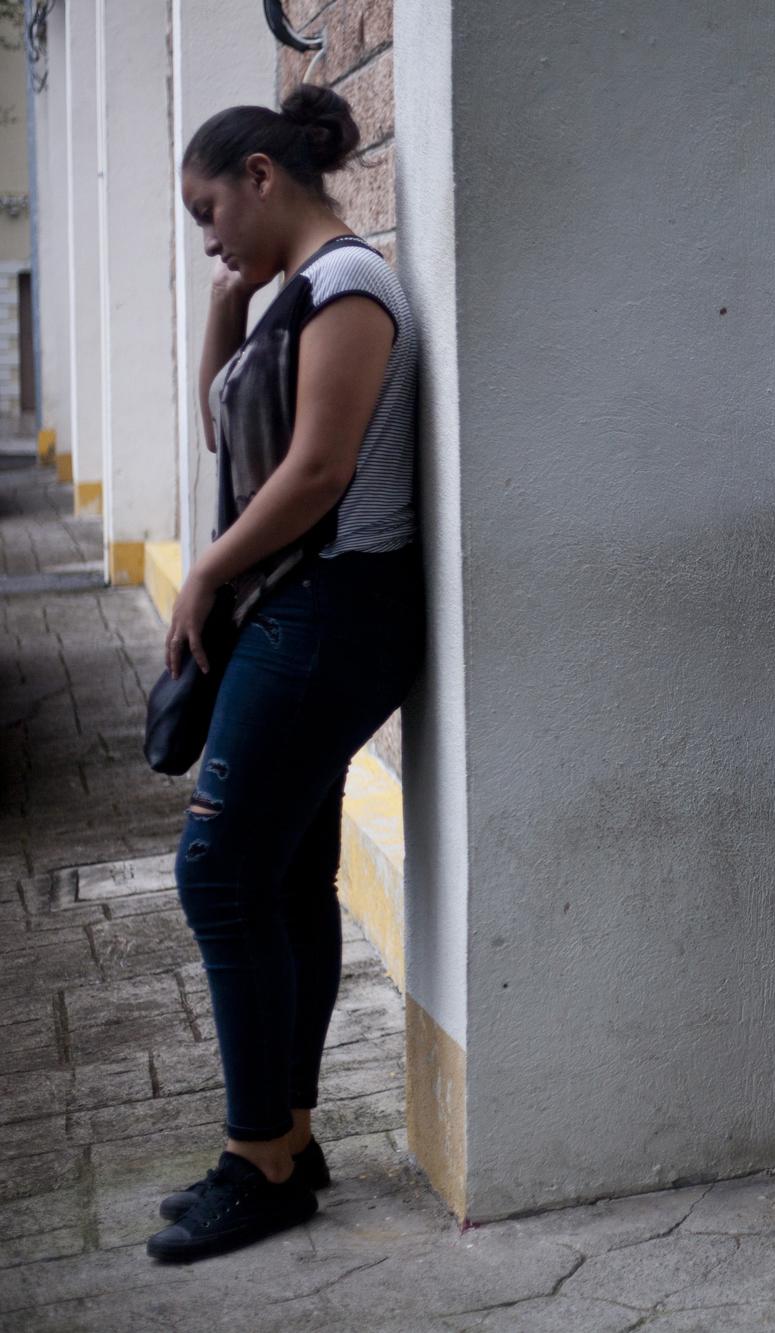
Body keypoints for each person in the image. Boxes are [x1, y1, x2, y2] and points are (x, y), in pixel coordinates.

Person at [148, 85, 422, 1263]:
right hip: (301, 612)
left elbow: (314, 472)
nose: (208, 234)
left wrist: (203, 575)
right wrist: (228, 297)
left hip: (329, 613)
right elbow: (227, 429)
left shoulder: (353, 288)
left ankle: (257, 1154)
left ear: (264, 173)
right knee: (284, 877)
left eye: (211, 210)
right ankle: (290, 1142)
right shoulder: (290, 295)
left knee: (218, 873)